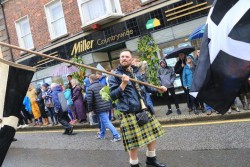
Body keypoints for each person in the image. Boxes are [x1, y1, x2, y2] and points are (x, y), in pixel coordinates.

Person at [109, 49, 167, 167]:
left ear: (131, 59)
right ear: (120, 60)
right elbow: (113, 95)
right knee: (133, 143)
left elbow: (146, 87)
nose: (124, 58)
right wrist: (123, 84)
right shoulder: (115, 76)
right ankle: (134, 164)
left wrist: (158, 89)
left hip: (143, 109)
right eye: (122, 57)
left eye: (126, 56)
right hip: (129, 112)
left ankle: (151, 159)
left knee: (152, 136)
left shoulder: (137, 73)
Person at [87, 74, 121, 141]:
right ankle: (102, 135)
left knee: (106, 121)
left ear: (91, 80)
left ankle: (116, 135)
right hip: (106, 106)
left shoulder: (90, 88)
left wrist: (90, 109)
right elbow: (108, 95)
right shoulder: (103, 85)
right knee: (103, 121)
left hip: (99, 107)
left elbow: (89, 101)